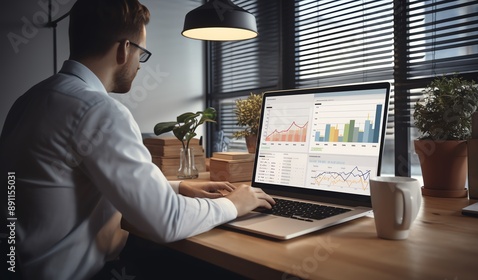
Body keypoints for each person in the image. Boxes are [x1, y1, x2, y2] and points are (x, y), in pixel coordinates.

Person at [0, 0, 275, 279]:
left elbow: (79, 180)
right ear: (124, 49)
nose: (140, 66)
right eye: (141, 53)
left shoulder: (29, 100)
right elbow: (167, 222)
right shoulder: (98, 111)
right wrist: (235, 203)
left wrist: (180, 187)